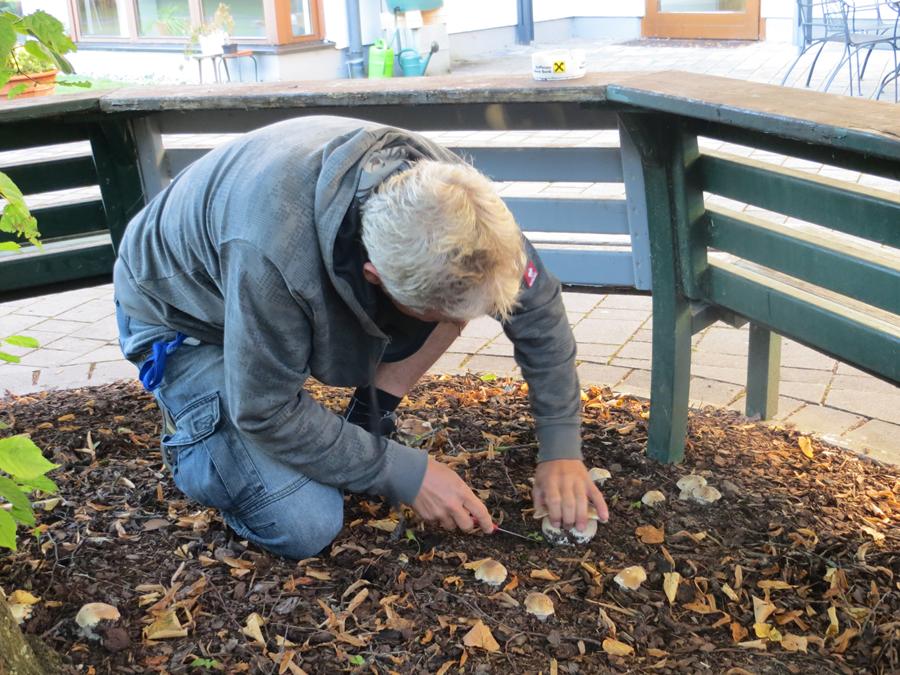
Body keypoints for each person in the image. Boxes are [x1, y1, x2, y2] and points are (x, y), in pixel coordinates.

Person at [114, 115, 609, 560]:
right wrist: (406, 474)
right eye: (437, 316)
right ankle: (201, 438)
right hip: (186, 318)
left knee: (453, 300)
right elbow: (265, 409)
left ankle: (365, 420)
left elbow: (537, 309)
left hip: (269, 282)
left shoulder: (460, 206)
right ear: (375, 276)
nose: (458, 325)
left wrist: (561, 448)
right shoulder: (273, 257)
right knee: (304, 524)